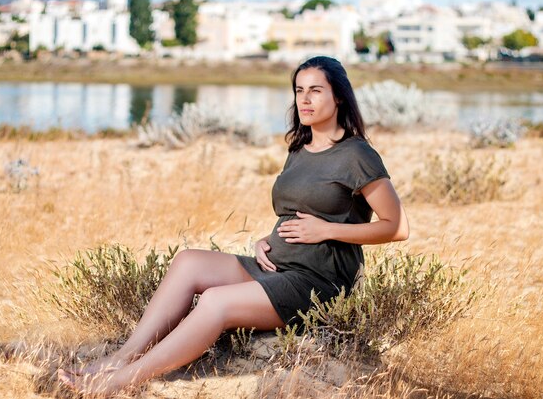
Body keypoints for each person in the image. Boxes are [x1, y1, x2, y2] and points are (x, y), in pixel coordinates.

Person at [58, 55, 409, 396]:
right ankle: (120, 358)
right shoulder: (299, 149)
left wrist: (327, 231)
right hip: (276, 266)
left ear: (338, 97)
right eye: (299, 90)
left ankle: (123, 381)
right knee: (188, 262)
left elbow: (396, 227)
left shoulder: (357, 155)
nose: (304, 99)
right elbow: (294, 213)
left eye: (315, 90)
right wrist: (266, 240)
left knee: (214, 302)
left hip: (317, 283)